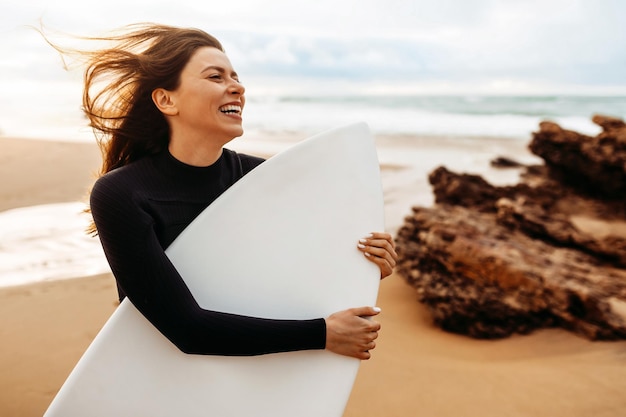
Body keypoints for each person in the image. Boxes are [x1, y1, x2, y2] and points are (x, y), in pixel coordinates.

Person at [59, 23, 398, 360]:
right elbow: (185, 328)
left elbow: (298, 263)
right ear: (166, 99)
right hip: (161, 374)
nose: (237, 87)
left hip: (252, 374)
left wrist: (366, 263)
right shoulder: (121, 194)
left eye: (235, 77)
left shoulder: (263, 176)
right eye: (215, 77)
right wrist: (324, 335)